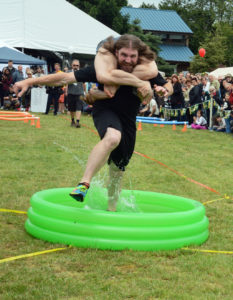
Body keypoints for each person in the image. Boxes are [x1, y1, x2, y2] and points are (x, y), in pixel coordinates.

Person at [14, 34, 172, 211]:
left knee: (117, 171)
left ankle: (111, 211)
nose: (128, 60)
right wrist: (29, 81)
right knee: (112, 137)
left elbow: (168, 85)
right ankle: (84, 183)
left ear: (138, 55)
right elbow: (64, 78)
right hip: (106, 111)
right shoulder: (102, 69)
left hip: (128, 120)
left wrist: (163, 90)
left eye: (132, 56)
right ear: (116, 53)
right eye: (124, 55)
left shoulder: (145, 70)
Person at [66, 60, 85, 127]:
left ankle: (77, 122)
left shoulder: (82, 72)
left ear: (79, 66)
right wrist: (66, 91)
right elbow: (66, 83)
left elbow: (83, 83)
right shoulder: (68, 73)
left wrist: (85, 92)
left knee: (79, 108)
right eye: (74, 65)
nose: (75, 67)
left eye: (77, 65)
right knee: (71, 109)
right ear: (72, 65)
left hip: (80, 93)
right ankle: (72, 120)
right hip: (71, 93)